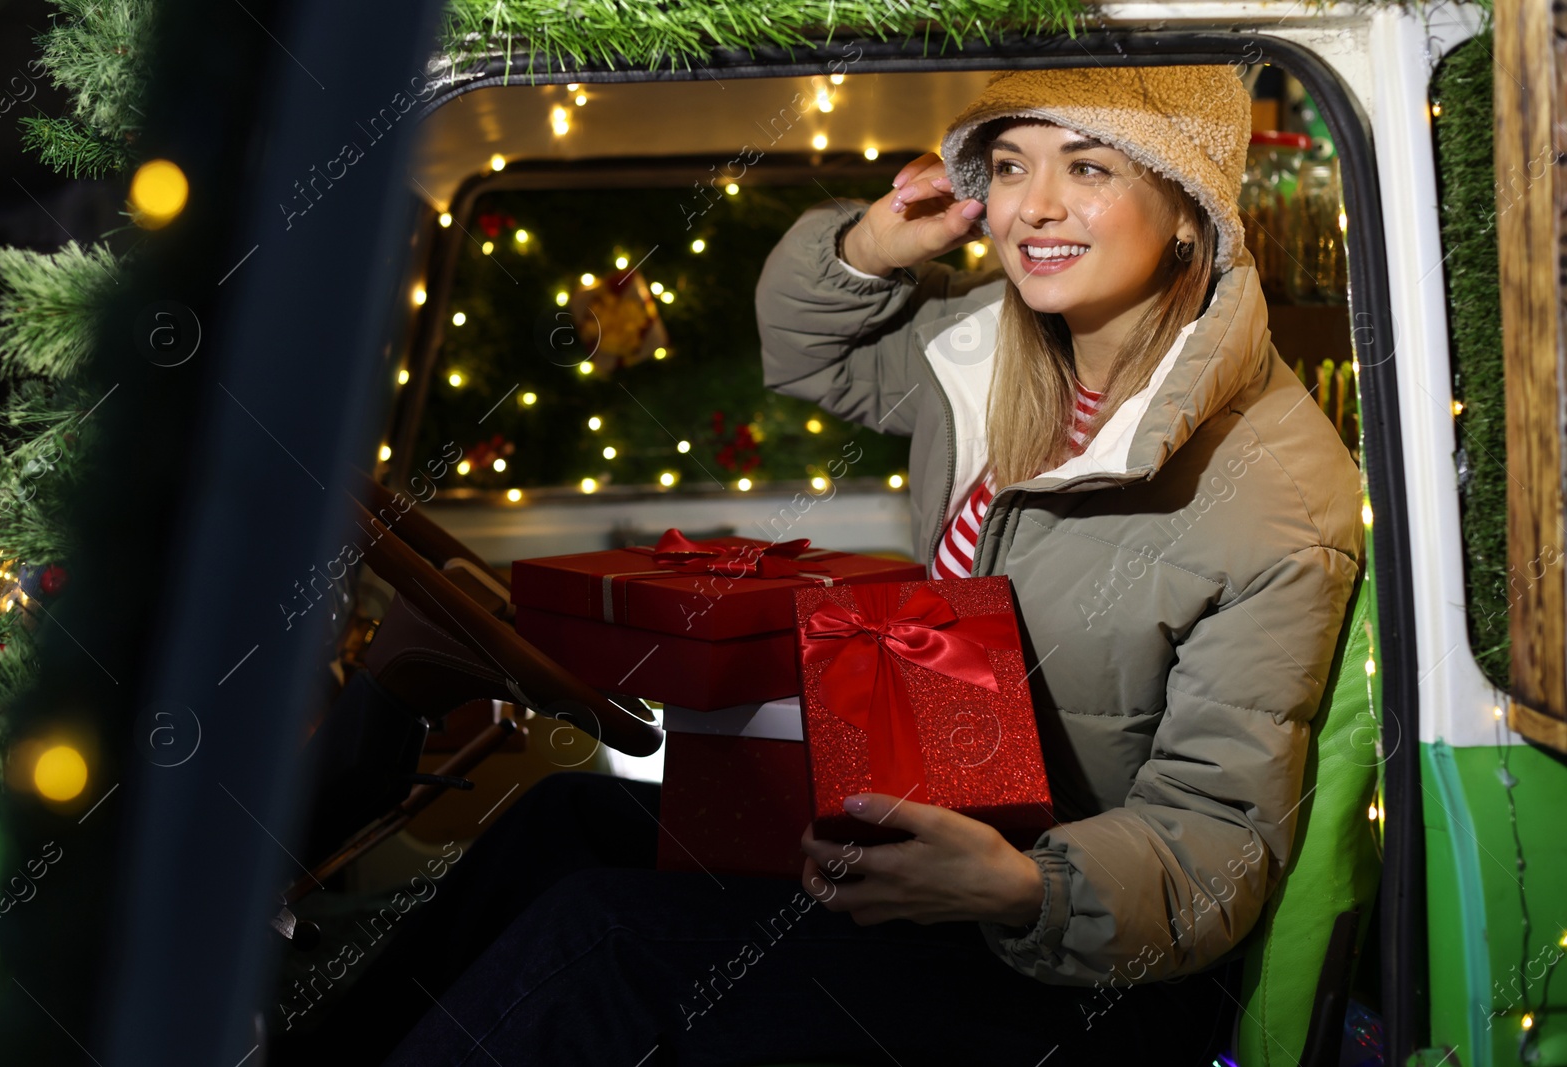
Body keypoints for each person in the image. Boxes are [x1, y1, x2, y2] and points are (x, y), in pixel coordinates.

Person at [359, 63, 1362, 1066]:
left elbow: (1217, 847)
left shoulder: (1272, 493)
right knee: (562, 821)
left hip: (1072, 968)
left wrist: (1021, 884)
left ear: (1188, 210)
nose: (1035, 206)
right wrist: (871, 246)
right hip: (933, 826)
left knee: (607, 931)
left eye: (1087, 167)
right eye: (1009, 168)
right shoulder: (993, 347)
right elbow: (813, 354)